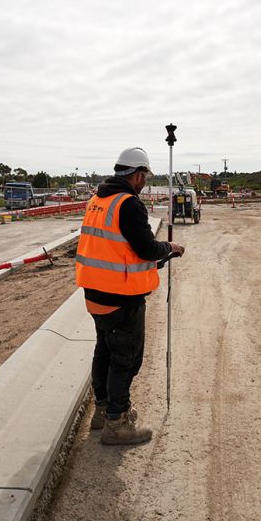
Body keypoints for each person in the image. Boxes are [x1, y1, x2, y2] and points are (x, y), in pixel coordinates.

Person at [75, 147, 185, 445]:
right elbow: (146, 249)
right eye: (144, 178)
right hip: (121, 296)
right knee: (126, 359)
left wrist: (158, 255)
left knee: (105, 351)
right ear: (137, 175)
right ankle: (117, 423)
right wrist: (170, 249)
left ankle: (103, 411)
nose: (144, 183)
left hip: (95, 292)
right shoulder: (128, 204)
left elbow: (118, 248)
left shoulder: (97, 200)